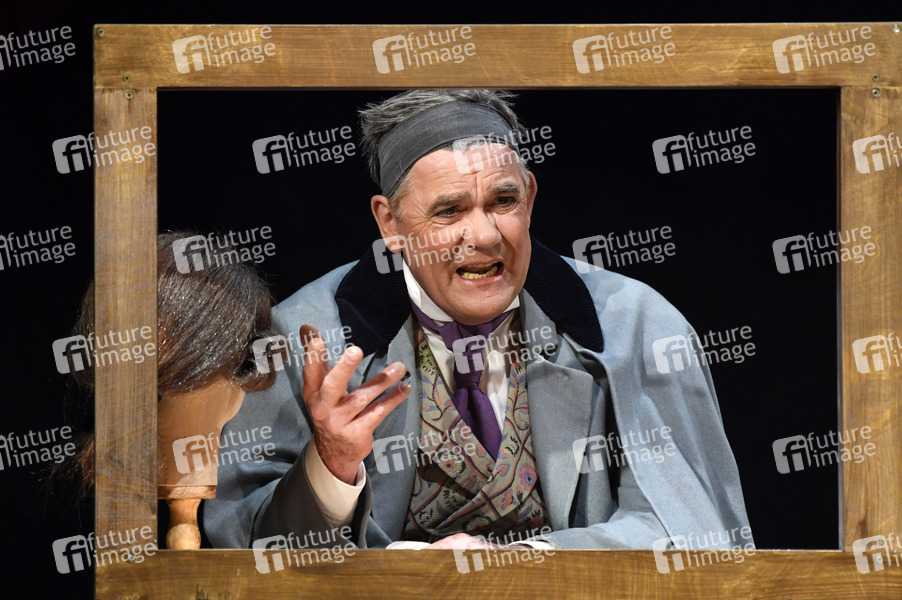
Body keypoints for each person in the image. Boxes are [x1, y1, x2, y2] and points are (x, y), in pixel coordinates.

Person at [205, 90, 752, 551]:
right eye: (449, 210)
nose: (486, 235)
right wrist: (330, 466)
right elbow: (240, 547)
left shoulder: (636, 326)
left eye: (503, 201)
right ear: (390, 223)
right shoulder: (303, 339)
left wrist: (524, 565)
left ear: (530, 198)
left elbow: (694, 529)